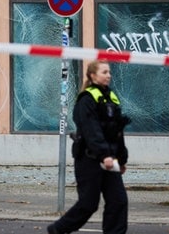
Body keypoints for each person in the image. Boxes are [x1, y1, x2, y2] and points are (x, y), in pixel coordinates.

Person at [47, 60, 131, 234]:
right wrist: (104, 155)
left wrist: (121, 159)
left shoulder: (111, 98)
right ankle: (57, 230)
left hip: (108, 159)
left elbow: (117, 132)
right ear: (92, 76)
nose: (108, 75)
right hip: (89, 159)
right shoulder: (86, 100)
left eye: (109, 72)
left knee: (119, 201)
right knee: (88, 204)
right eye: (104, 72)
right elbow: (91, 130)